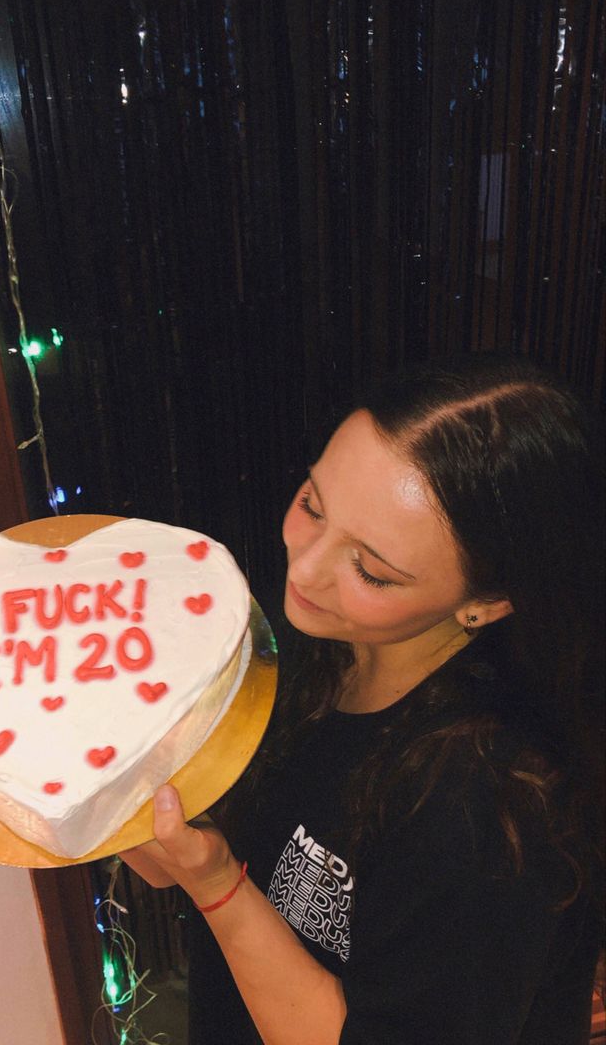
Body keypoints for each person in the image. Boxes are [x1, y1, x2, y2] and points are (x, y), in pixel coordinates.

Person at [120, 352, 604, 1045]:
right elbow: (169, 852)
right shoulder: (311, 648)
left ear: (488, 602)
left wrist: (219, 887)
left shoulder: (494, 809)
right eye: (313, 504)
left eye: (371, 571)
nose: (306, 569)